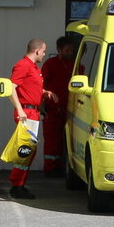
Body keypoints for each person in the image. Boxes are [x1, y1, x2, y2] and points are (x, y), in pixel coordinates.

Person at [8, 38, 51, 199]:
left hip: (32, 112)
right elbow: (11, 88)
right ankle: (16, 185)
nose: (45, 54)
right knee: (25, 150)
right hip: (26, 113)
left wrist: (44, 93)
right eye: (44, 51)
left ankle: (19, 184)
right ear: (37, 51)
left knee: (29, 150)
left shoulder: (32, 67)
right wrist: (20, 110)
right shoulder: (23, 65)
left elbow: (30, 88)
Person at [39, 36, 75, 178]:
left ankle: (59, 166)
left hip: (69, 108)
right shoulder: (50, 64)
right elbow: (41, 85)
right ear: (59, 50)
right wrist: (41, 104)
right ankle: (49, 168)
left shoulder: (76, 65)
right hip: (52, 108)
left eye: (71, 50)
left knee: (63, 139)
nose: (70, 52)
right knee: (51, 139)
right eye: (67, 50)